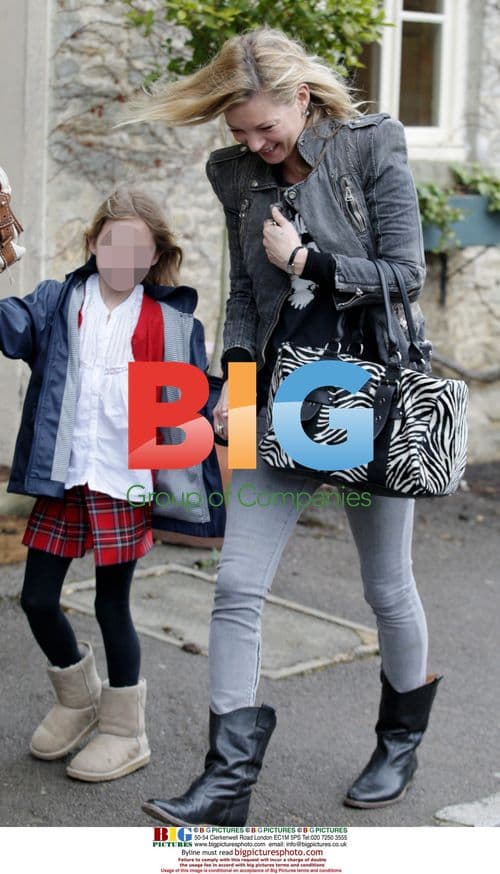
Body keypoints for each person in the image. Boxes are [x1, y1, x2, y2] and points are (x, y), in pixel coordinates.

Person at [129, 27, 441, 824]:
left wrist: (310, 262)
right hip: (282, 402)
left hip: (364, 396)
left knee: (385, 585)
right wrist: (233, 396)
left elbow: (405, 272)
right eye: (241, 133)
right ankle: (227, 780)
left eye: (267, 127)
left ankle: (399, 742)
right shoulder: (233, 173)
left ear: (302, 97)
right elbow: (241, 295)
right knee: (236, 586)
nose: (257, 145)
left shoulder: (372, 145)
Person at [0, 184, 212, 782]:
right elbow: (8, 327)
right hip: (66, 474)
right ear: (93, 243)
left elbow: (200, 395)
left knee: (111, 604)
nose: (123, 258)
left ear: (154, 257)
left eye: (138, 249)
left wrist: (235, 424)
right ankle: (79, 700)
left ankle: (126, 729)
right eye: (112, 243)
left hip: (126, 480)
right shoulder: (55, 301)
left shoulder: (172, 322)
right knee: (36, 597)